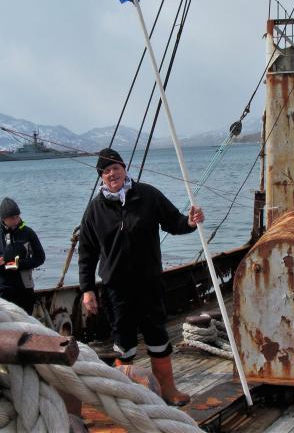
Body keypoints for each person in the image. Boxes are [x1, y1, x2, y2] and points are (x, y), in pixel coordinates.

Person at [79, 148, 204, 406]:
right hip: (116, 289)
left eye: (115, 167)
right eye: (105, 170)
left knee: (157, 336)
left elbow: (174, 222)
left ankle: (168, 390)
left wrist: (190, 223)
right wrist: (87, 289)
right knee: (123, 344)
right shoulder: (95, 209)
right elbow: (87, 252)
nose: (111, 173)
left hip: (149, 283)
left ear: (124, 169)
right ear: (101, 177)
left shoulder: (147, 195)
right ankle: (124, 397)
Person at [0, 197, 45, 315]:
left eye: (18, 216)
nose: (16, 220)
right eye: (12, 218)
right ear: (4, 219)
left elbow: (40, 257)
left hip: (23, 288)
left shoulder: (28, 233)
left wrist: (19, 264)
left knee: (25, 321)